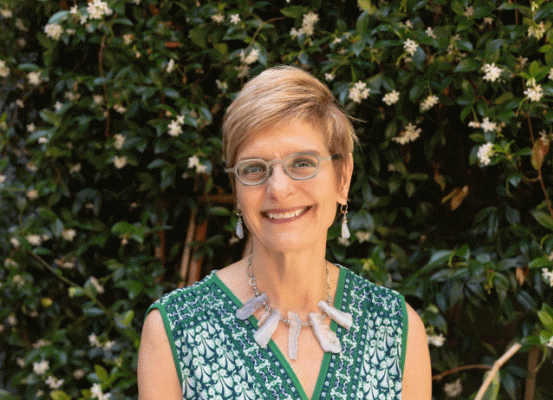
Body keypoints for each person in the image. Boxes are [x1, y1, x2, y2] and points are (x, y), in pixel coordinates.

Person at [138, 66, 432, 400]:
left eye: (303, 163)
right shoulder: (174, 331)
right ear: (236, 190)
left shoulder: (395, 329)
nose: (278, 189)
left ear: (343, 176)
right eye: (254, 169)